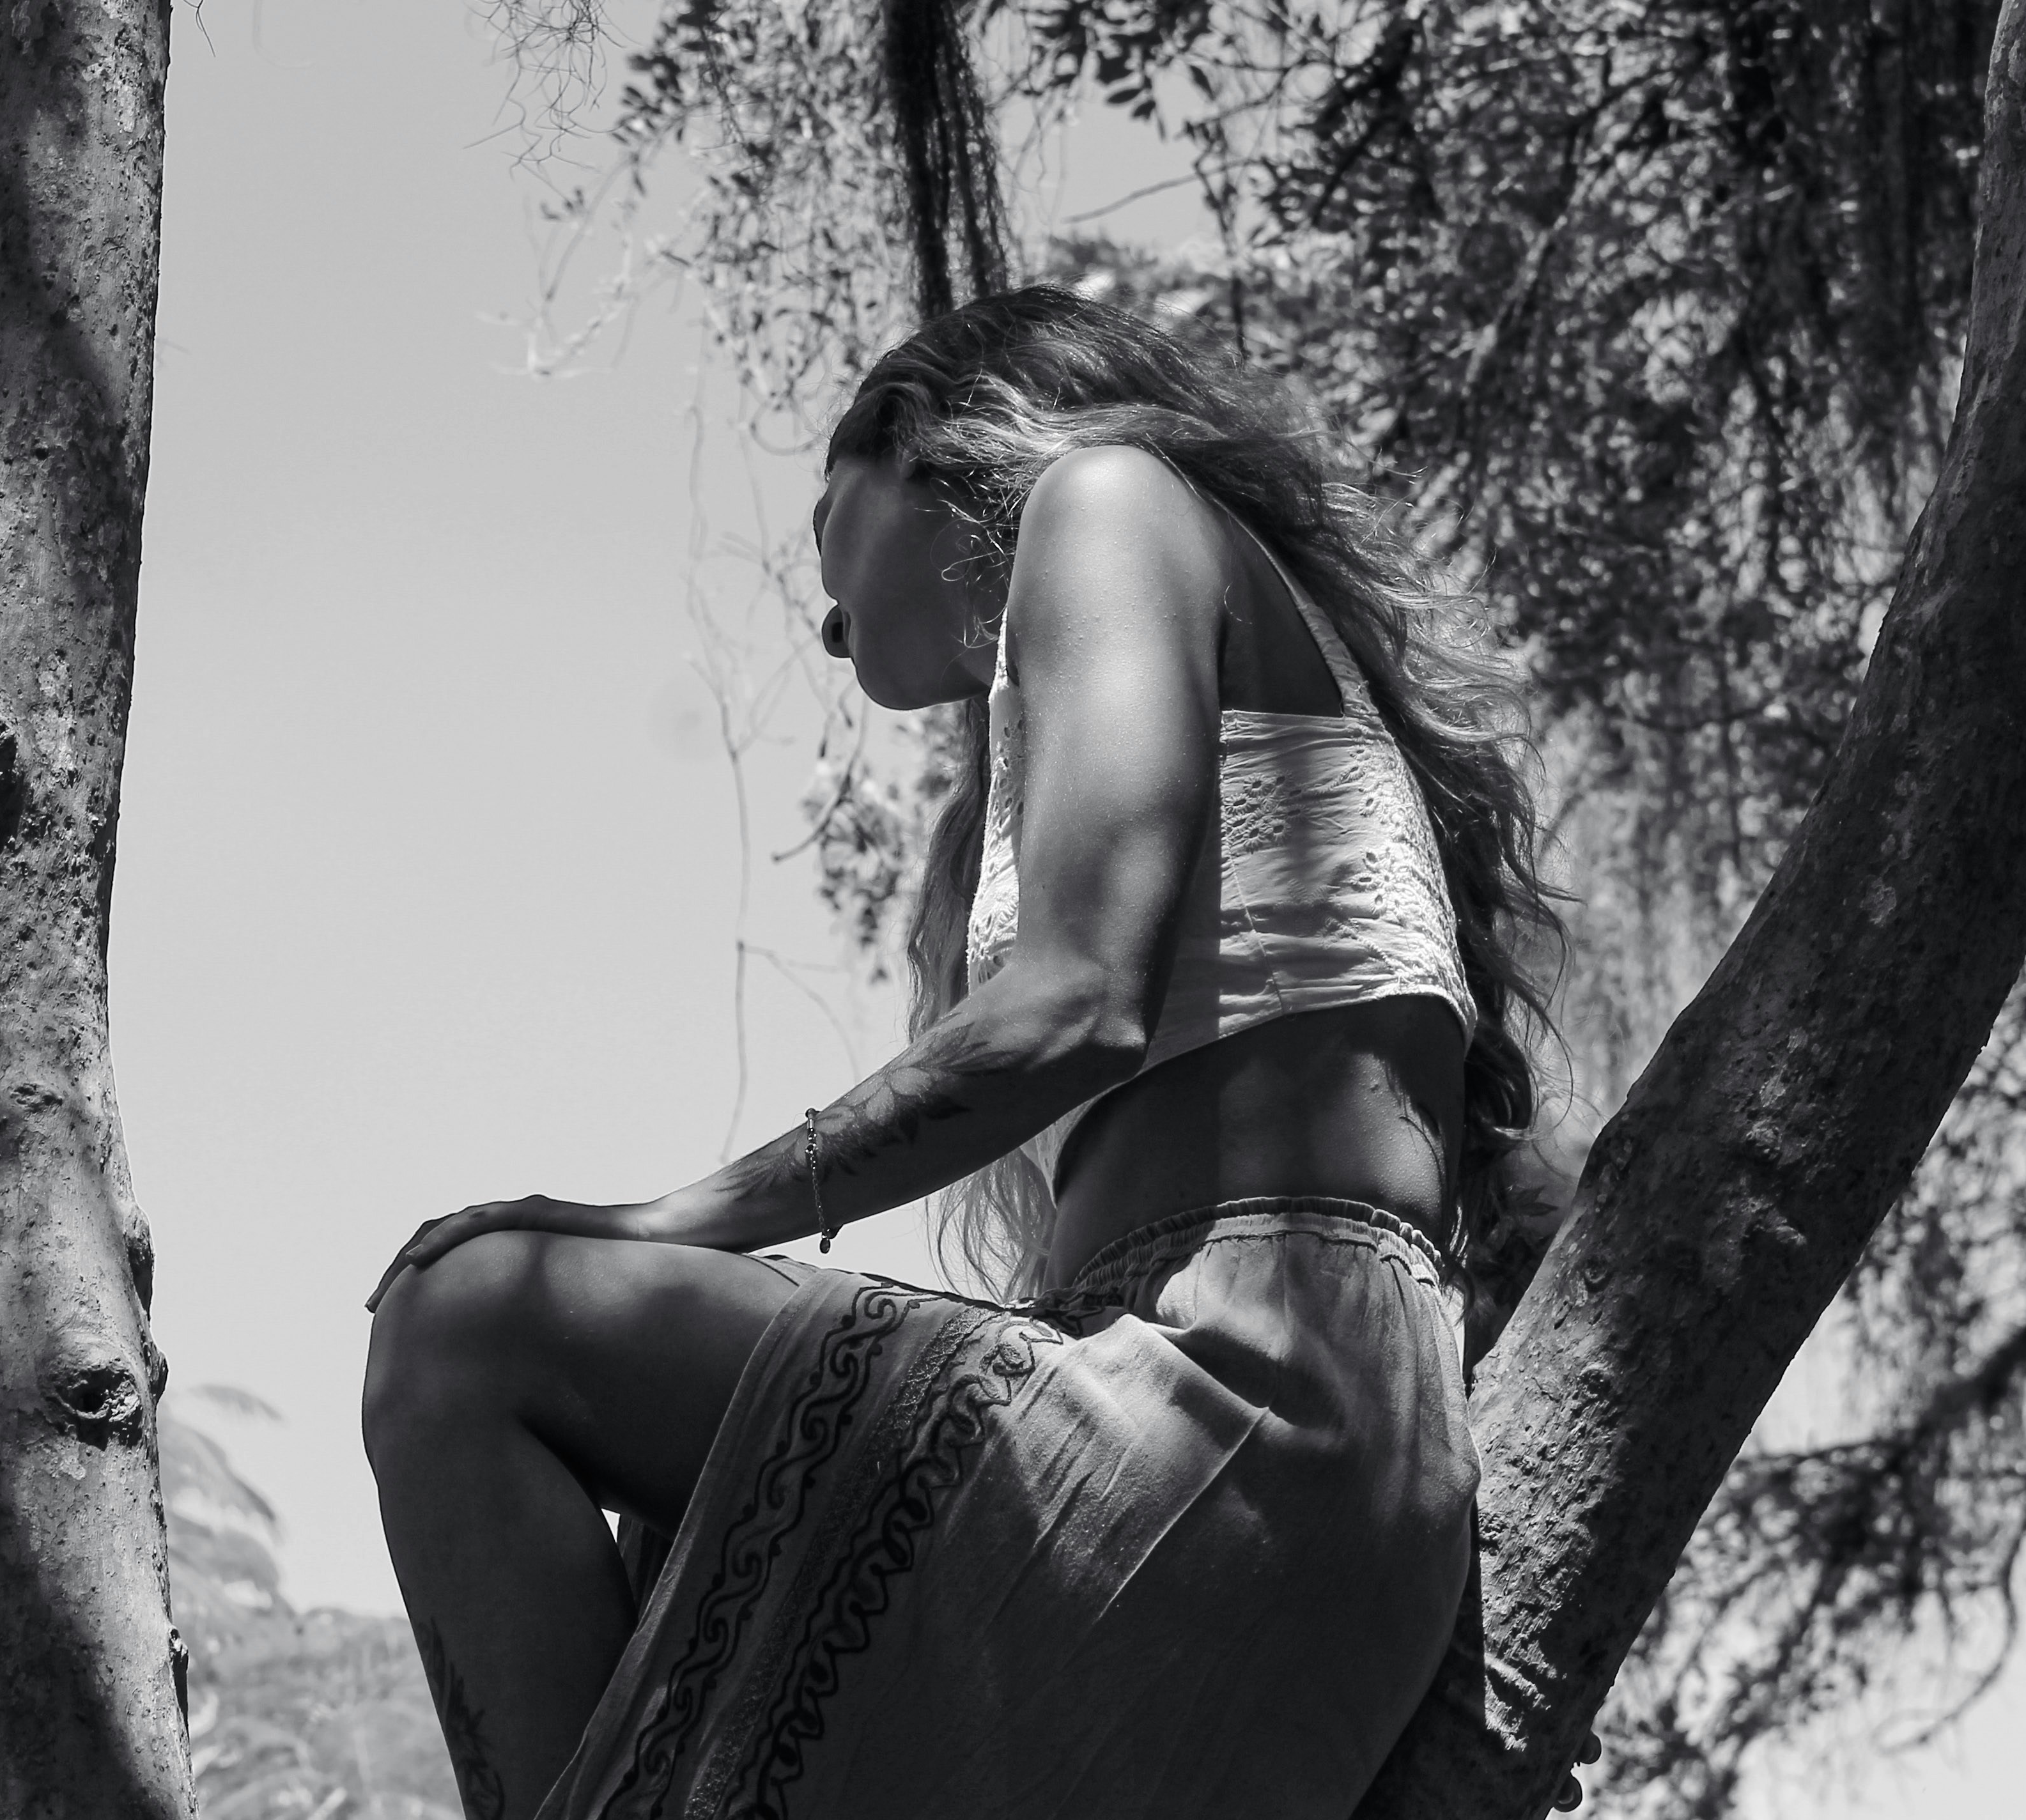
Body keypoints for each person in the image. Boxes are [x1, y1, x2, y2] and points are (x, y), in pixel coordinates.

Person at [361, 286, 1559, 1820]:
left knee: (465, 1320)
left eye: (822, 520)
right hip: (1296, 1478)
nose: (825, 612)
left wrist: (644, 1226)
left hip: (1236, 1412)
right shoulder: (1139, 665)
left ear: (912, 435)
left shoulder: (1107, 501)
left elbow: (1072, 1005)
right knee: (687, 1554)